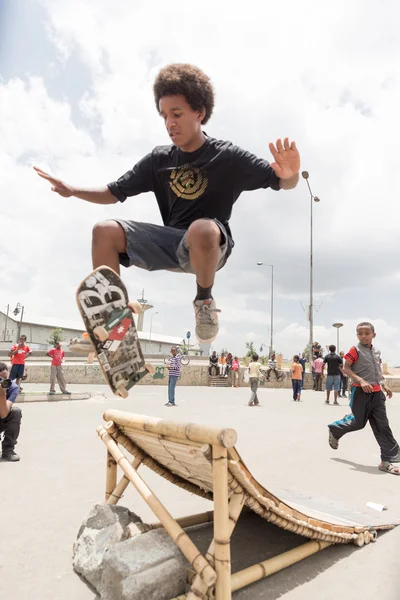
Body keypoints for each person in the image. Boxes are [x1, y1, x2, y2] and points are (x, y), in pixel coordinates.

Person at [34, 64, 300, 346]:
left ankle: (204, 302)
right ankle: (112, 324)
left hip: (211, 248)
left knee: (202, 229)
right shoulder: (159, 160)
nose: (170, 123)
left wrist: (290, 174)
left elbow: (280, 181)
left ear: (200, 113)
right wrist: (72, 190)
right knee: (104, 230)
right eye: (164, 116)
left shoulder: (227, 156)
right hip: (171, 245)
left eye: (177, 114)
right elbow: (113, 192)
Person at [328, 322, 400, 475]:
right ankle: (336, 428)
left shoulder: (376, 352)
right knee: (359, 423)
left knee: (382, 425)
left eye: (367, 333)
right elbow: (346, 368)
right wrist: (360, 380)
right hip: (360, 393)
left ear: (374, 334)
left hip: (376, 394)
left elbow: (376, 370)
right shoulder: (355, 350)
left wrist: (383, 385)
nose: (363, 336)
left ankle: (388, 460)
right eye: (360, 334)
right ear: (357, 336)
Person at [0, 362, 22, 461]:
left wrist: (2, 393)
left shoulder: (13, 387)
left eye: (4, 379)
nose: (3, 382)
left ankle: (8, 450)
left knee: (16, 412)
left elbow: (4, 414)